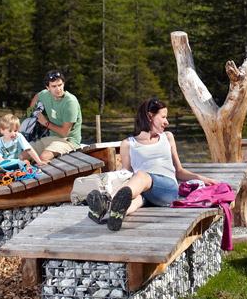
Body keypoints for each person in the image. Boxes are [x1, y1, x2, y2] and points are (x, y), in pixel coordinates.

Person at [87, 97, 218, 231]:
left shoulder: (167, 137)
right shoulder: (128, 144)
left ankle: (107, 200)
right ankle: (114, 214)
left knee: (141, 175)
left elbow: (179, 171)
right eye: (163, 117)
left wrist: (201, 178)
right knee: (135, 200)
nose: (167, 122)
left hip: (167, 189)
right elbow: (126, 175)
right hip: (145, 191)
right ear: (150, 116)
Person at [28, 69, 83, 163]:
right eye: (54, 86)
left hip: (68, 141)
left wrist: (45, 123)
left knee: (43, 157)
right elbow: (37, 96)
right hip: (51, 138)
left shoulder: (70, 102)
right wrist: (31, 114)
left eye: (60, 85)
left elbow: (64, 132)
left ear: (63, 84)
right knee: (23, 154)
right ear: (47, 87)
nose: (58, 89)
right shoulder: (45, 95)